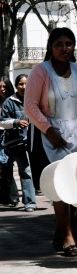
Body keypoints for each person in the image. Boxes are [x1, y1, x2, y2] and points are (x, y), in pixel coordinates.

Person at [25, 27, 77, 256]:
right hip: (52, 137)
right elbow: (30, 106)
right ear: (51, 48)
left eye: (68, 43)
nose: (65, 48)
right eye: (59, 44)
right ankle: (67, 236)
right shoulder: (40, 71)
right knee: (60, 187)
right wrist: (49, 130)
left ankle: (61, 231)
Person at [0, 74, 37, 212]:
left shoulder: (34, 100)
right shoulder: (10, 102)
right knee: (25, 171)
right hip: (16, 143)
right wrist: (16, 122)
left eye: (27, 84)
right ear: (16, 86)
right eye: (21, 84)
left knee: (31, 171)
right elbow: (2, 121)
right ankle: (30, 203)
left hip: (34, 143)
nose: (24, 87)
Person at [0, 76, 19, 206]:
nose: (2, 89)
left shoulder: (12, 101)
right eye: (0, 87)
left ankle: (12, 196)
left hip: (9, 137)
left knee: (7, 166)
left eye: (4, 86)